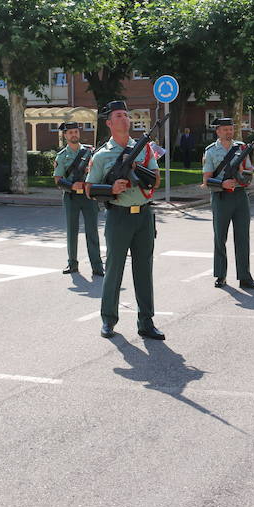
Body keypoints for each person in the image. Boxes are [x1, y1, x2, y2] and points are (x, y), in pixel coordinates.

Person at [86, 100, 164, 340]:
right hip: (118, 216)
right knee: (114, 269)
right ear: (109, 123)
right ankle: (108, 319)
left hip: (143, 215)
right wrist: (111, 189)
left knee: (144, 269)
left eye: (126, 115)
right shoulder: (101, 155)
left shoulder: (144, 149)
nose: (124, 119)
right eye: (119, 116)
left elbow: (156, 180)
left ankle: (146, 322)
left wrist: (138, 172)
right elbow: (89, 189)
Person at [201, 117, 254, 290]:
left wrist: (243, 174)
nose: (229, 132)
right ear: (218, 131)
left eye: (230, 129)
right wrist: (223, 184)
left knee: (243, 237)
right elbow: (206, 180)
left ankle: (245, 277)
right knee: (220, 237)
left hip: (240, 196)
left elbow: (250, 172)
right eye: (225, 129)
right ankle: (220, 275)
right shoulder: (211, 151)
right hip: (221, 197)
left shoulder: (241, 148)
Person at [53, 121, 103, 276]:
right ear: (65, 135)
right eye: (70, 132)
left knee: (92, 231)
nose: (73, 135)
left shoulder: (90, 152)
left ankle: (97, 266)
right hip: (71, 197)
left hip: (88, 196)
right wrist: (72, 186)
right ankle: (72, 264)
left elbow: (99, 172)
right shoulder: (62, 156)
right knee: (72, 231)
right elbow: (58, 180)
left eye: (75, 131)